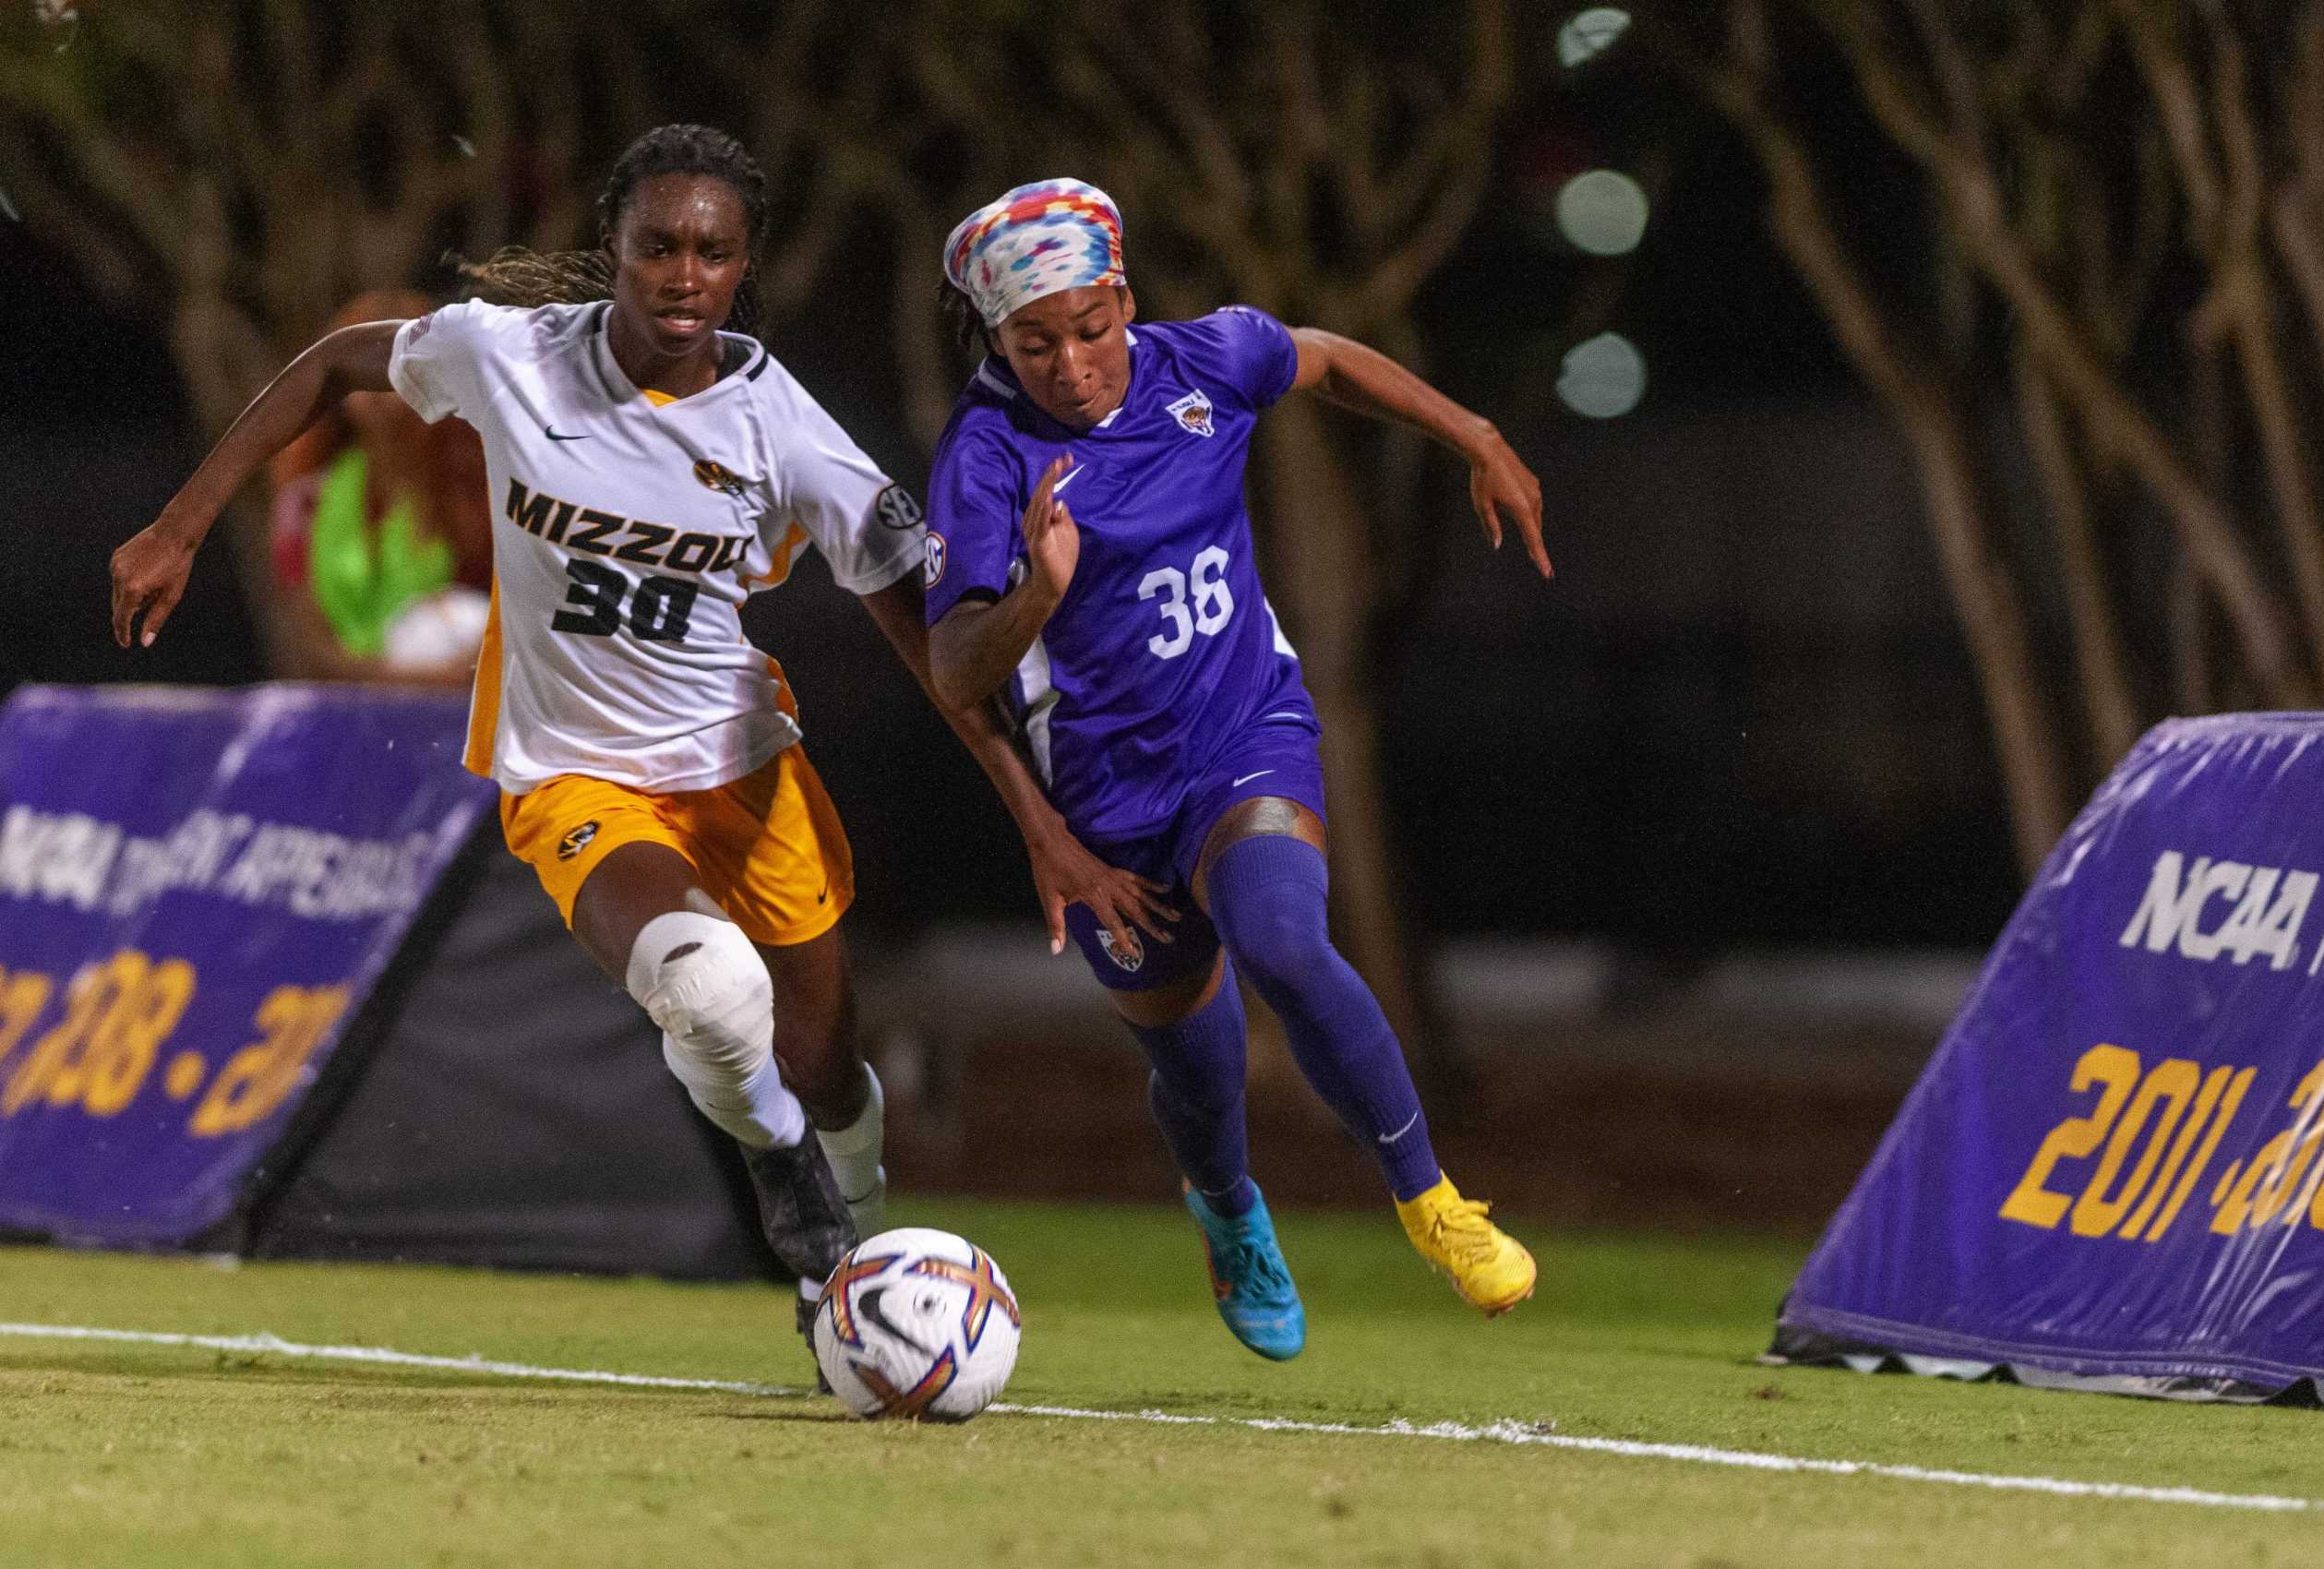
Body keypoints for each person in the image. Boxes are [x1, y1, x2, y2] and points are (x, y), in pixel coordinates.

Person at [109, 128, 1163, 1350]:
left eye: (712, 252)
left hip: (746, 774)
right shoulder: (506, 355)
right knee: (711, 998)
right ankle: (803, 1217)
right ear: (611, 246)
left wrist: (1040, 821)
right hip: (577, 782)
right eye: (657, 245)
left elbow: (930, 652)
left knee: (826, 1070)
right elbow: (338, 363)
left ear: (741, 265)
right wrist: (179, 529)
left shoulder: (785, 429)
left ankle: (858, 1273)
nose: (682, 273)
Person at [928, 179, 1551, 1359]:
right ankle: (1227, 1208)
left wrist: (1475, 432)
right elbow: (956, 667)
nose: (1067, 363)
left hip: (1241, 733)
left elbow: (1320, 355)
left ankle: (1432, 1204)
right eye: (1032, 342)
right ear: (997, 339)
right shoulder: (986, 452)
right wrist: (1038, 594)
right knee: (1201, 1068)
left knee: (1280, 938)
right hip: (1106, 806)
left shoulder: (1205, 362)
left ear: (1123, 296)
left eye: (1087, 327)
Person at [265, 289, 493, 686]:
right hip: (354, 702)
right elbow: (311, 646)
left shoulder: (477, 489)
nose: (379, 393)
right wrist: (395, 681)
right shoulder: (305, 500)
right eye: (363, 375)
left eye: (397, 373)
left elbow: (512, 613)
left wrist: (450, 676)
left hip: (463, 700)